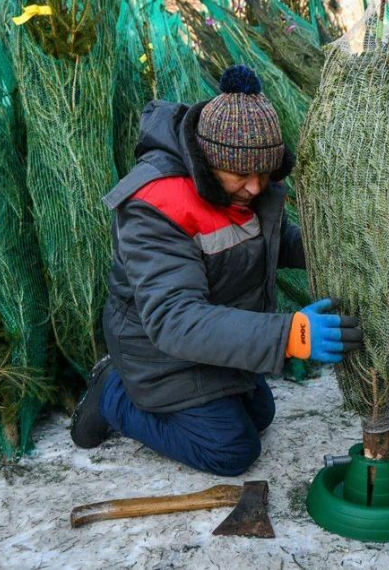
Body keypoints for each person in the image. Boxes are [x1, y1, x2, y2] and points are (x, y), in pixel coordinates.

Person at [70, 66, 362, 476]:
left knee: (261, 414)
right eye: (241, 175)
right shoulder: (154, 207)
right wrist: (287, 335)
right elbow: (175, 320)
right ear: (208, 160)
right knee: (232, 449)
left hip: (210, 334)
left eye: (264, 172)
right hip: (157, 348)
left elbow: (276, 242)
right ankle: (112, 394)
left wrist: (344, 250)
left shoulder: (245, 187)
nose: (256, 187)